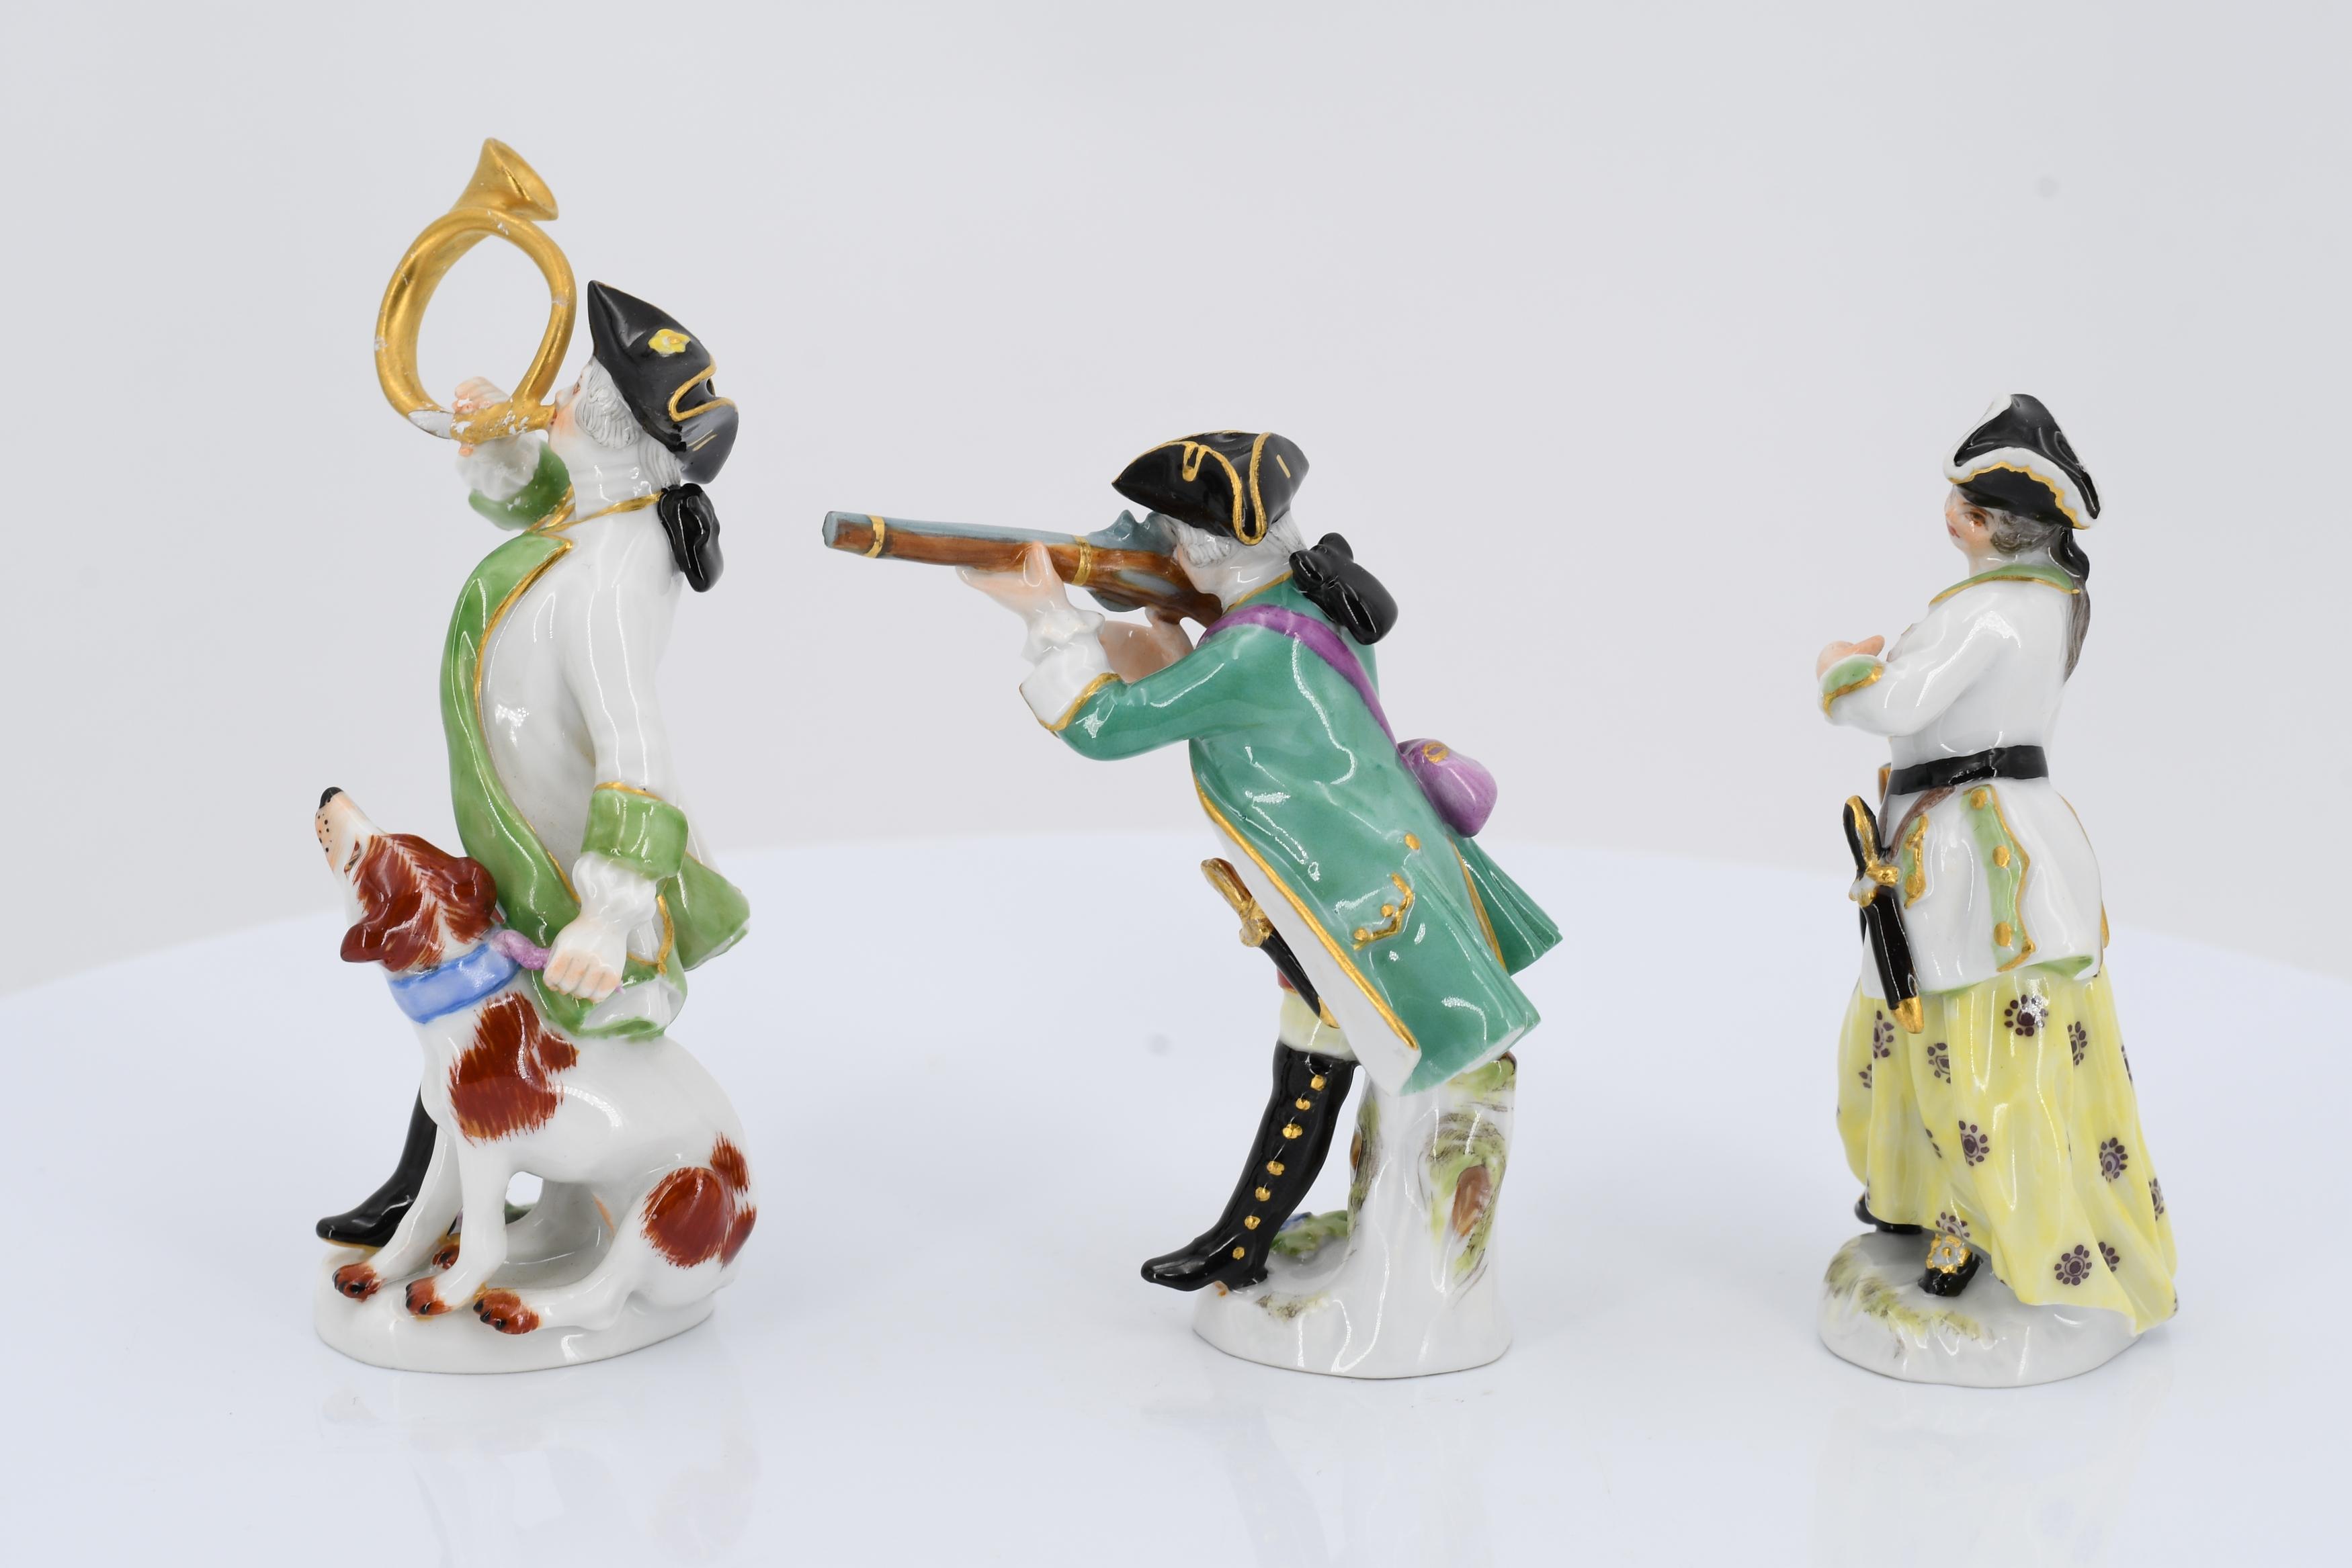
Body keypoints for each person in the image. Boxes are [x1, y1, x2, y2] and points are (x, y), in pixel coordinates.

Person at [964, 431, 1558, 1301]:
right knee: (1311, 1061)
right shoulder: (1310, 604)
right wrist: (1155, 632)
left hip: (1351, 898)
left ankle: (1322, 1258)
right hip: (1371, 874)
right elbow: (1240, 712)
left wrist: (1046, 614)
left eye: (1164, 535)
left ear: (1198, 547)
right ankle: (1243, 1240)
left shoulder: (1250, 649)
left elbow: (1106, 728)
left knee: (1336, 1064)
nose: (1156, 547)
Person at [316, 284, 750, 1247]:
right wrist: (502, 445)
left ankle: (555, 1202)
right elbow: (534, 499)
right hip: (528, 840)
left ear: (610, 429)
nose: (549, 400)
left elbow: (637, 748)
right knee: (480, 1022)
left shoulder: (610, 576)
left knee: (511, 1031)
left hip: (570, 870)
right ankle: (449, 1196)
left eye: (569, 394)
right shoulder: (596, 517)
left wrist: (610, 910)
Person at [1816, 394, 2175, 1332]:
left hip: (1970, 849)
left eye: (1967, 509)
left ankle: (1965, 1218)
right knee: (1928, 1019)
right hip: (1988, 826)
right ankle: (1923, 1193)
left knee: (1962, 1033)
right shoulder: (2051, 604)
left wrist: (1838, 668)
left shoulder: (1987, 615)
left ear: (1996, 527)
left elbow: (1898, 704)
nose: (1950, 517)